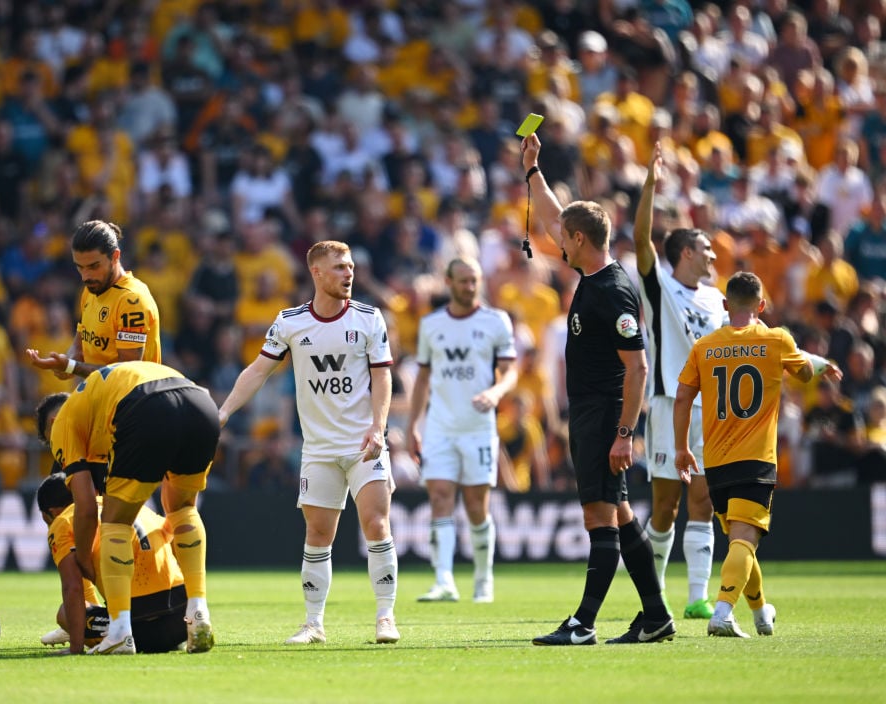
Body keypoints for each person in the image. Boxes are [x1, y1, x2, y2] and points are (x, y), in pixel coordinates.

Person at [522, 133, 676, 646]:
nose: (556, 242)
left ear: (580, 241)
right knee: (622, 514)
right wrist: (533, 172)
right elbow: (551, 217)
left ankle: (583, 624)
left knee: (599, 516)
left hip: (606, 412)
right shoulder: (592, 269)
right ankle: (656, 616)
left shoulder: (612, 293)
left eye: (563, 238)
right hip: (596, 411)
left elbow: (638, 369)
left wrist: (624, 433)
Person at [218, 240, 400, 646]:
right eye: (338, 267)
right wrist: (224, 412)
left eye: (350, 266)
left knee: (376, 522)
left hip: (362, 444)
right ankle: (314, 623)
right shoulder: (290, 322)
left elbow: (383, 377)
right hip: (317, 449)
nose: (348, 273)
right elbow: (257, 371)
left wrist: (379, 427)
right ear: (316, 273)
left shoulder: (370, 319)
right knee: (318, 534)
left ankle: (385, 617)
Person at [673, 271, 843, 637]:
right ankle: (721, 612)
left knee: (740, 540)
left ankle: (761, 612)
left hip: (715, 461)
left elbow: (683, 396)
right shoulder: (776, 339)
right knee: (743, 542)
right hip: (755, 459)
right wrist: (821, 364)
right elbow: (801, 371)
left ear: (724, 305)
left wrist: (681, 447)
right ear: (762, 305)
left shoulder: (704, 347)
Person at [35, 360, 220, 654]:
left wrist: (83, 558)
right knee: (183, 508)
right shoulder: (98, 405)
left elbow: (84, 507)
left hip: (146, 406)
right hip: (199, 400)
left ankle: (120, 632)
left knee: (115, 523)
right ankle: (198, 611)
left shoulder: (64, 425)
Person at [633, 144, 727, 620]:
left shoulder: (715, 299)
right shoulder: (661, 287)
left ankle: (697, 595)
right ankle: (655, 594)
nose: (714, 254)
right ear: (686, 252)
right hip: (671, 403)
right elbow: (640, 239)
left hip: (710, 410)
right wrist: (650, 185)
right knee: (666, 505)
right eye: (707, 247)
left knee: (704, 498)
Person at [405, 257, 517, 604]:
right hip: (440, 426)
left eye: (475, 280)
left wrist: (495, 392)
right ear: (449, 282)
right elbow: (422, 378)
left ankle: (484, 579)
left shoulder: (496, 321)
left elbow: (510, 370)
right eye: (464, 280)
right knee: (439, 497)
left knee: (475, 505)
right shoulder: (432, 325)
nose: (470, 287)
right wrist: (413, 425)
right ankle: (444, 581)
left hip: (478, 427)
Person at [36, 473, 193, 655]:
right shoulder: (132, 508)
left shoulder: (63, 522)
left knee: (65, 614)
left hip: (136, 629)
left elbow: (73, 588)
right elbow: (173, 537)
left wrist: (75, 648)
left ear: (52, 512)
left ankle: (112, 637)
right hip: (182, 620)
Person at [27, 220, 160, 380]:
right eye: (80, 267)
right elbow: (80, 346)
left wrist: (71, 367)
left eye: (93, 266)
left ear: (115, 256)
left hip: (133, 402)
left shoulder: (131, 301)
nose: (85, 277)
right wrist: (63, 363)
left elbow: (126, 374)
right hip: (100, 397)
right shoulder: (90, 291)